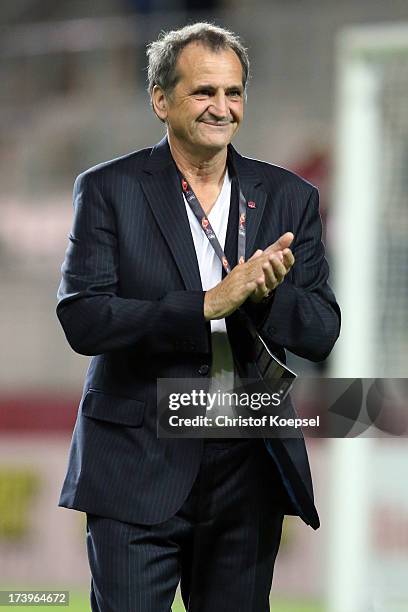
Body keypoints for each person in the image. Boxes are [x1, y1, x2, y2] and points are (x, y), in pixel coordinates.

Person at [57, 22, 340, 612]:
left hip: (246, 463)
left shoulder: (290, 197)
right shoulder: (109, 189)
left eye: (233, 93)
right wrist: (205, 304)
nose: (222, 107)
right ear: (161, 100)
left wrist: (261, 295)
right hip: (137, 461)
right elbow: (83, 318)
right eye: (204, 92)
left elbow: (321, 331)